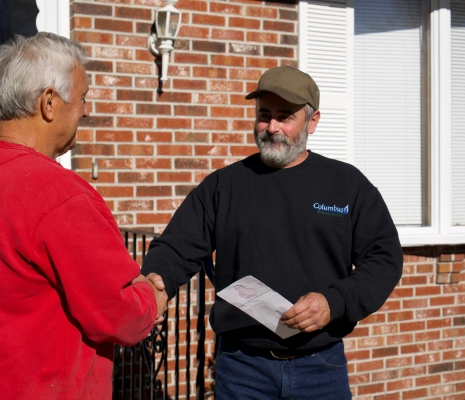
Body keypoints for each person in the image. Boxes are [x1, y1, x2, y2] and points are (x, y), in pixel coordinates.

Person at [141, 65, 403, 399]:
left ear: (313, 121)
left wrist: (332, 302)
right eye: (264, 115)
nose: (272, 127)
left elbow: (384, 259)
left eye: (285, 116)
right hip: (242, 368)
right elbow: (178, 246)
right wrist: (155, 281)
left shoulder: (347, 185)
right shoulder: (225, 185)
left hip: (320, 367)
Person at [0, 32, 166, 399]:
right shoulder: (56, 193)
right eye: (82, 98)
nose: (85, 110)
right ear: (49, 102)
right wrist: (150, 297)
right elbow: (120, 314)